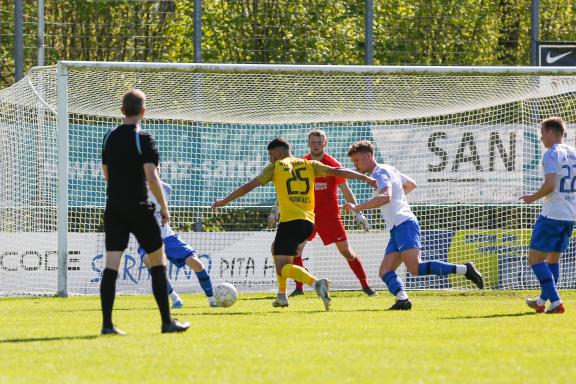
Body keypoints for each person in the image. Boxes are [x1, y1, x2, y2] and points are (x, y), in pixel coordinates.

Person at [212, 137, 377, 311]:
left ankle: (316, 283)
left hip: (290, 222)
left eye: (270, 154)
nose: (270, 158)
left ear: (278, 153)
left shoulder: (275, 167)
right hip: (308, 223)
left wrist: (225, 201)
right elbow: (338, 171)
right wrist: (364, 178)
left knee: (283, 266)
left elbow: (249, 186)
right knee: (276, 249)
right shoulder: (309, 164)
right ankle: (281, 296)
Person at [344, 141, 484, 310]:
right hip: (397, 227)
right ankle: (403, 299)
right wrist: (398, 197)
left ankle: (465, 269)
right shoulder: (388, 169)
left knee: (415, 268)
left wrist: (357, 207)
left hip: (404, 224)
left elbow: (385, 197)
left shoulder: (380, 172)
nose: (355, 165)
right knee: (385, 271)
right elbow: (411, 184)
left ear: (368, 156)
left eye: (357, 160)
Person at [100, 88, 189, 334]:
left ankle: (107, 325)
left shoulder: (109, 137)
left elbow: (106, 174)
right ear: (143, 111)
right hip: (139, 208)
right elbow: (152, 176)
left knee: (111, 266)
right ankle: (166, 322)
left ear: (121, 110)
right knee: (157, 262)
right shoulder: (144, 138)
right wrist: (164, 206)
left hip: (114, 207)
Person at [269, 130, 376, 297]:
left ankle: (365, 285)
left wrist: (358, 212)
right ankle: (299, 288)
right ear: (309, 143)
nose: (316, 145)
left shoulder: (331, 163)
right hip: (306, 216)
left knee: (346, 251)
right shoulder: (301, 162)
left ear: (325, 143)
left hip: (330, 216)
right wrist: (276, 209)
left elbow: (345, 189)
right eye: (313, 142)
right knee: (296, 250)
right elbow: (286, 189)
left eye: (319, 142)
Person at [520, 117, 576, 314]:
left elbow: (551, 185)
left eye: (542, 132)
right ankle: (541, 301)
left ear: (551, 133)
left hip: (552, 215)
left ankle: (555, 302)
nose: (541, 136)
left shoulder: (551, 154)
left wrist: (532, 197)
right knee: (553, 260)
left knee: (535, 259)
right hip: (570, 216)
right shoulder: (573, 152)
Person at [138, 179, 216, 308]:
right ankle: (175, 299)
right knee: (147, 260)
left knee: (197, 264)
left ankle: (213, 300)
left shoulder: (166, 188)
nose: (154, 171)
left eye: (156, 167)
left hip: (169, 237)